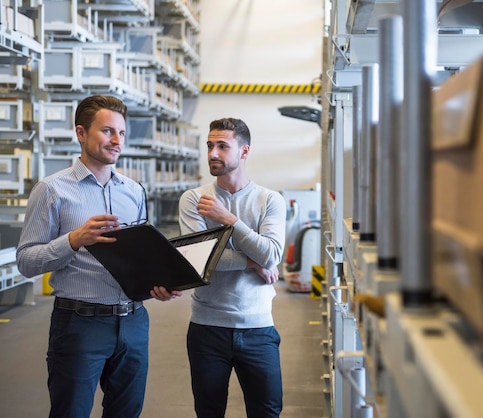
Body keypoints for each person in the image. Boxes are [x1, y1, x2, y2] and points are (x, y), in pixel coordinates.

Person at [16, 94, 180, 418]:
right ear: (81, 133)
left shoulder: (133, 192)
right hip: (80, 325)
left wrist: (157, 284)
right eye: (107, 131)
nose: (116, 140)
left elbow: (140, 257)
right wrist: (73, 240)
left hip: (133, 323)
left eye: (121, 133)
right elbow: (26, 261)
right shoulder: (52, 190)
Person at [153, 117, 286, 417]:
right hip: (207, 328)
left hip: (258, 328)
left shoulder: (269, 200)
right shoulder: (194, 199)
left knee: (267, 411)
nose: (213, 153)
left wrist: (229, 220)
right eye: (210, 145)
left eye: (222, 146)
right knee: (209, 412)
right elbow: (196, 260)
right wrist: (252, 261)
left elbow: (272, 254)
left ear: (244, 151)